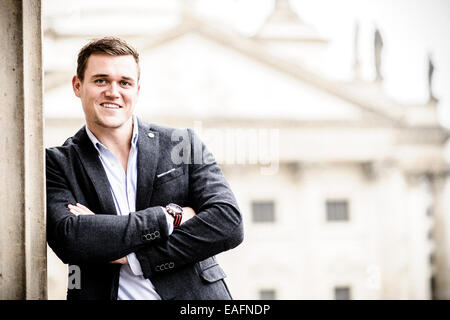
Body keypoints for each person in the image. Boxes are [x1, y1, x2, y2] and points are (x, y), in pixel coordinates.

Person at [46, 37, 244, 300]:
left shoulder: (182, 142)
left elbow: (228, 222)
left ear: (137, 91)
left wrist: (134, 256)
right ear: (78, 85)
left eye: (124, 83)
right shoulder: (57, 163)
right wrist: (166, 217)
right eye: (101, 80)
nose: (113, 91)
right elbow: (71, 238)